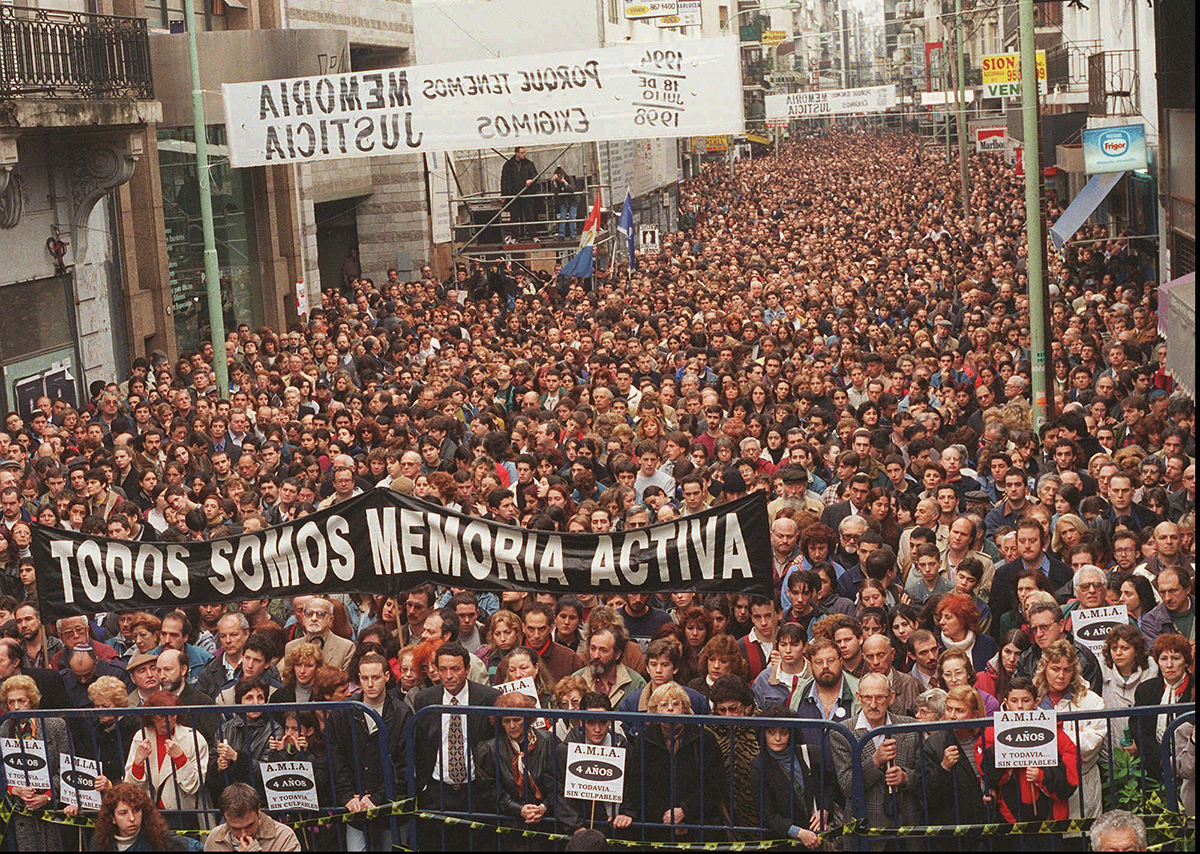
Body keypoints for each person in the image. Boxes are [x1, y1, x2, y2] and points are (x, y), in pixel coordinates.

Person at [410, 642, 501, 849]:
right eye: (443, 669)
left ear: (467, 670)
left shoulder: (488, 698)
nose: (448, 675)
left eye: (455, 669)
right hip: (436, 791)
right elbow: (421, 745)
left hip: (476, 792)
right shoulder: (425, 699)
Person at [624, 682, 724, 842]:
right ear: (655, 710)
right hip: (656, 827)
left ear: (684, 708)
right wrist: (666, 817)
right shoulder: (645, 740)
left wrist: (685, 811)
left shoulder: (704, 739)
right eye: (663, 704)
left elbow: (715, 784)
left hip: (698, 825)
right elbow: (638, 786)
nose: (670, 708)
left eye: (676, 703)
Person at [831, 672, 919, 850]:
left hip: (907, 827)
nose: (873, 704)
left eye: (879, 697)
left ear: (891, 697)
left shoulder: (909, 727)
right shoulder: (842, 732)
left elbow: (925, 777)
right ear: (858, 698)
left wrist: (905, 778)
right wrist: (875, 761)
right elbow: (847, 785)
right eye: (867, 698)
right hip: (866, 829)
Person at [981, 677, 1079, 824]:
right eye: (1014, 701)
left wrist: (1041, 775)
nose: (1020, 706)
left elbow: (1071, 768)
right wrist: (1006, 759)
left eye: (1026, 700)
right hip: (1009, 814)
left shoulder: (1053, 729)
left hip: (1049, 816)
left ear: (1036, 702)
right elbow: (985, 771)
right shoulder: (992, 732)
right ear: (1006, 703)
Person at [1033, 639, 1105, 819]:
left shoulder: (1091, 700)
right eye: (1055, 669)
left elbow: (1093, 742)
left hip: (1082, 782)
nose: (1061, 675)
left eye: (1067, 670)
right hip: (1040, 783)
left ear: (1074, 671)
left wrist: (1051, 742)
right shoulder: (1030, 700)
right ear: (1044, 668)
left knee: (1081, 838)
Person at [0, 674, 69, 849]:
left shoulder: (55, 726)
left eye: (21, 701)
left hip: (51, 811)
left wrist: (47, 795)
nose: (16, 707)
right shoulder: (4, 727)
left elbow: (67, 770)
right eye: (11, 702)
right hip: (16, 811)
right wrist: (13, 789)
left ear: (32, 701)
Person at [748, 704, 832, 848]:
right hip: (783, 840)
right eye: (771, 732)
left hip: (817, 835)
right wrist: (798, 832)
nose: (777, 738)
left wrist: (824, 809)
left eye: (784, 732)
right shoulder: (758, 765)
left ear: (791, 733)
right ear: (763, 733)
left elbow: (830, 785)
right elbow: (766, 813)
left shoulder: (812, 753)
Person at [1132, 633, 1194, 781]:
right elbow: (1138, 728)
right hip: (1155, 769)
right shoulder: (1145, 690)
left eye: (1176, 658)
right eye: (1164, 659)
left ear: (1186, 662)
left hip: (1189, 768)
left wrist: (1179, 762)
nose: (1169, 665)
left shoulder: (1194, 688)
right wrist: (1161, 758)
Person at [90, 782, 191, 851]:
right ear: (112, 818)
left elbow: (201, 847)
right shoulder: (99, 843)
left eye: (136, 810)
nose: (132, 818)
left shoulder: (161, 839)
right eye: (123, 813)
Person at [204, 782, 300, 851]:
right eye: (235, 829)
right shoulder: (215, 837)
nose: (243, 834)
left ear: (258, 811)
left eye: (249, 826)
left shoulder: (283, 836)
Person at [500, 146, 538, 243]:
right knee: (514, 216)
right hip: (514, 194)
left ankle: (533, 235)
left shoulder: (529, 164)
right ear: (517, 153)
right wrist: (504, 195)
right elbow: (504, 180)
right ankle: (515, 237)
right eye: (522, 152)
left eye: (524, 152)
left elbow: (535, 175)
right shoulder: (508, 165)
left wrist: (531, 180)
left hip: (527, 193)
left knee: (530, 215)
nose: (524, 154)